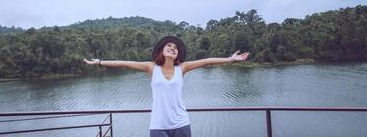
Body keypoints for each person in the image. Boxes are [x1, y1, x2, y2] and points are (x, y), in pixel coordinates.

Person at [83, 36, 249, 137]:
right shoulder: (151, 68)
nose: (172, 48)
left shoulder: (182, 68)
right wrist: (99, 62)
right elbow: (125, 63)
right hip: (158, 126)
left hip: (181, 124)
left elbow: (207, 61)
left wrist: (231, 59)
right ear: (161, 51)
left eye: (175, 47)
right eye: (169, 46)